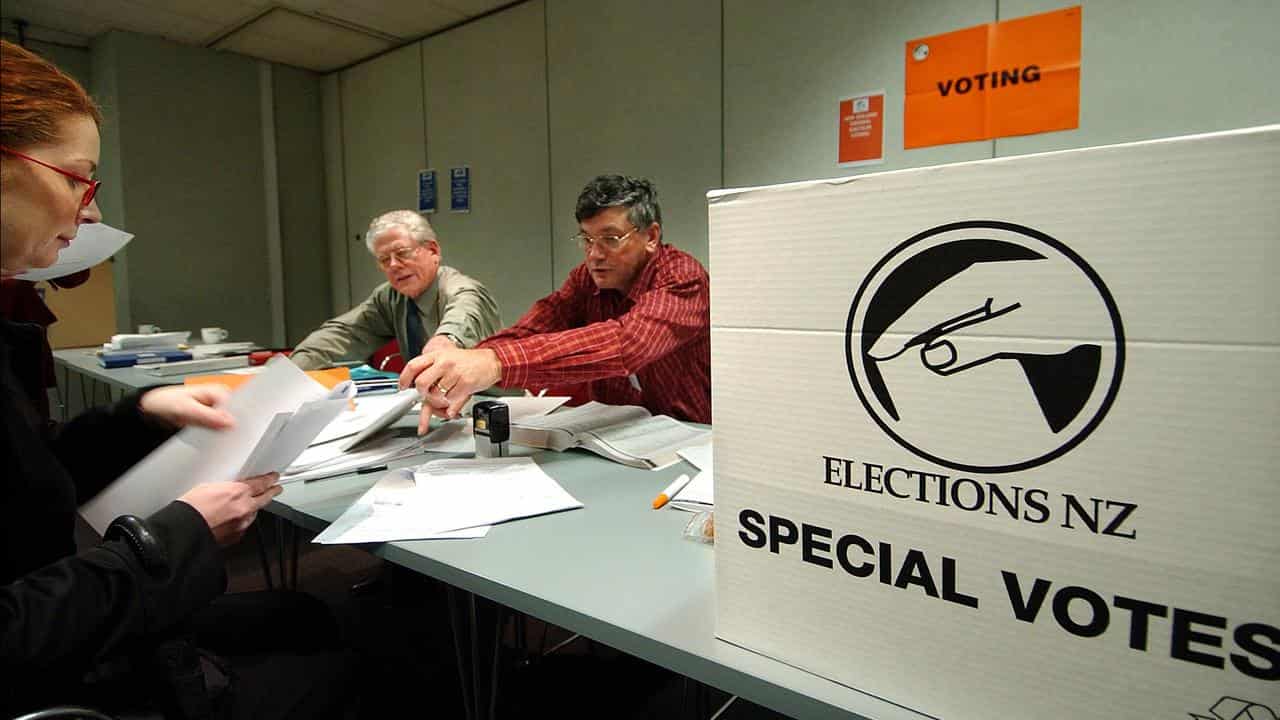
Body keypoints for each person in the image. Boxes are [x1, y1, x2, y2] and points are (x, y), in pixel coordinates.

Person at [0, 40, 347, 718]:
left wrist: (146, 414)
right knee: (335, 666)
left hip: (78, 626)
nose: (92, 212)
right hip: (61, 673)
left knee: (304, 616)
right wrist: (176, 540)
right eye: (77, 179)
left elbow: (25, 475)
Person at [400, 174, 710, 427]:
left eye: (611, 239)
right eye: (587, 239)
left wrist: (494, 363)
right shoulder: (587, 279)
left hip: (694, 437)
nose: (595, 254)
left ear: (651, 236)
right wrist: (463, 369)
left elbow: (628, 344)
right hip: (623, 435)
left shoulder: (683, 277)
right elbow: (535, 328)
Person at [290, 209, 500, 370]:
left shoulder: (462, 290)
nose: (393, 265)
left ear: (432, 250)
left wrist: (444, 343)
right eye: (383, 259)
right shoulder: (390, 297)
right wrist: (292, 371)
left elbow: (461, 320)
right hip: (437, 405)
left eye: (402, 253)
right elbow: (343, 334)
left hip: (496, 408)